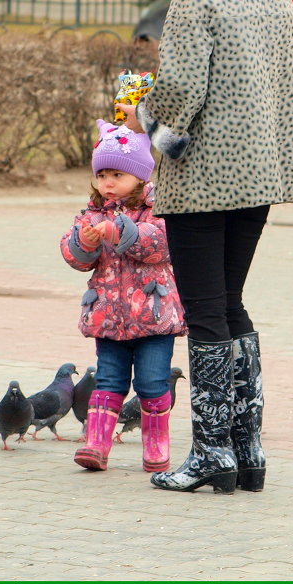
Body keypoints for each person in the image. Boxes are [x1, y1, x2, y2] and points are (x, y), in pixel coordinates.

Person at [122, 0, 293, 494]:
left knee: (204, 311)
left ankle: (210, 455)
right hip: (261, 174)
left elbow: (180, 89)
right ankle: (247, 449)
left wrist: (143, 120)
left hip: (202, 175)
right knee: (231, 304)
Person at [60, 119, 185, 473]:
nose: (108, 183)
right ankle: (96, 444)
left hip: (153, 316)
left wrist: (120, 231)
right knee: (108, 380)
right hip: (109, 318)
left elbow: (161, 244)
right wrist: (82, 244)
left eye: (117, 175)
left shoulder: (157, 207)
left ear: (140, 176)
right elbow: (75, 258)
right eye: (102, 175)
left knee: (152, 381)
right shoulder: (91, 213)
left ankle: (156, 446)